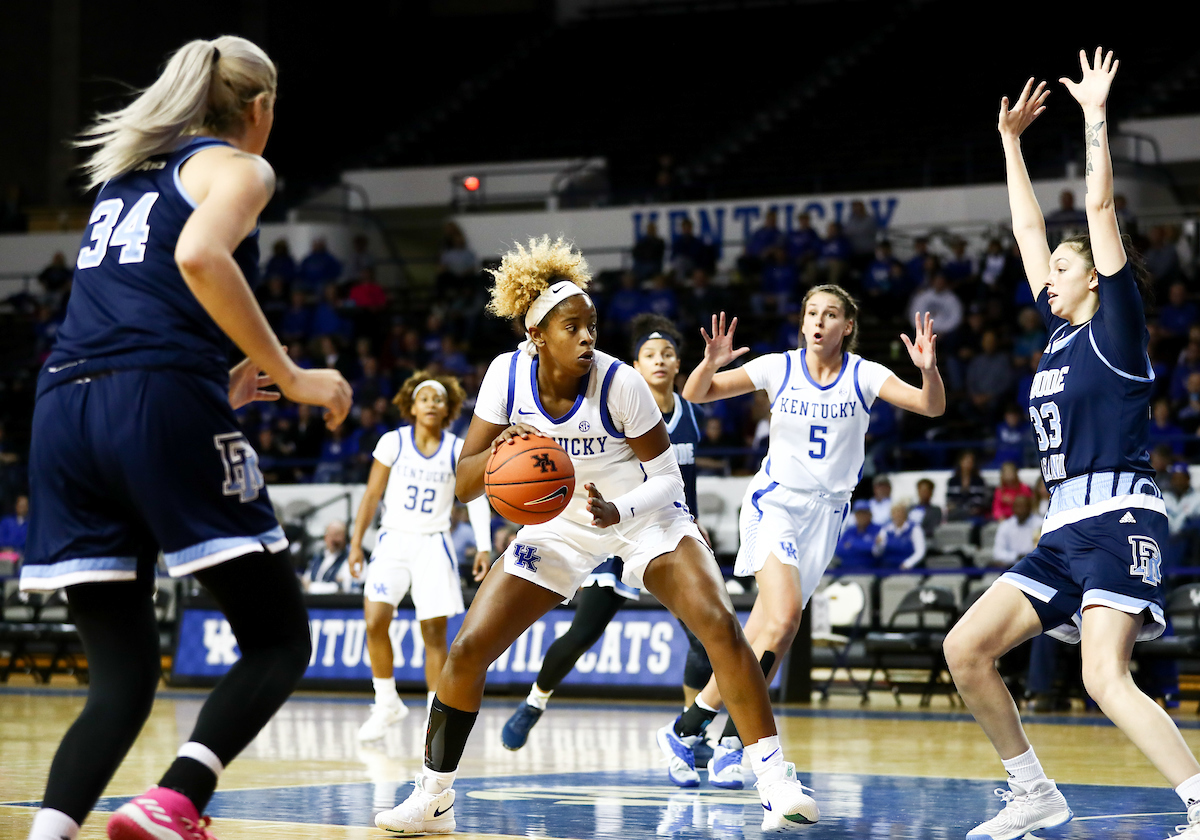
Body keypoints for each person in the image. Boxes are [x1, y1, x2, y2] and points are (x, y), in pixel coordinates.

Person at [18, 36, 352, 840]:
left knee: (122, 681)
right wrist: (293, 375)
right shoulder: (241, 167)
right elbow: (198, 255)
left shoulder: (124, 178)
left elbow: (136, 302)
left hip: (63, 407)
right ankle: (172, 803)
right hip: (153, 400)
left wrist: (213, 377)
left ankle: (47, 835)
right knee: (277, 639)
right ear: (260, 108)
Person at [373, 237, 820, 834]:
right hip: (558, 525)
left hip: (642, 517)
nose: (588, 337)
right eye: (572, 326)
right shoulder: (506, 378)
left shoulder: (620, 384)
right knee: (467, 649)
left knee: (717, 621)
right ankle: (433, 798)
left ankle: (775, 781)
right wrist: (499, 453)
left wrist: (619, 509)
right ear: (537, 335)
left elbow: (666, 478)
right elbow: (463, 484)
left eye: (592, 325)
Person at [943, 53, 1200, 840]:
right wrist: (1011, 143)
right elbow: (1028, 226)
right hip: (1062, 531)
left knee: (1102, 675)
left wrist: (1093, 117)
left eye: (1061, 268)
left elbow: (1096, 206)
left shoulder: (1116, 329)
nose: (1045, 275)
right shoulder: (1057, 334)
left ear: (1094, 279)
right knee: (966, 648)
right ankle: (1035, 793)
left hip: (1121, 519)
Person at [661, 284, 944, 790]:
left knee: (773, 630)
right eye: (811, 311)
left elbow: (931, 406)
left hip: (827, 517)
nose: (818, 321)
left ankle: (691, 728)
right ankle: (735, 743)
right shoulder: (779, 366)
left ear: (847, 326)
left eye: (830, 314)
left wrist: (928, 369)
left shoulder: (865, 374)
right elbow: (696, 393)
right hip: (776, 503)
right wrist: (710, 363)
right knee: (786, 613)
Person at [499, 313, 715, 751]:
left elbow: (677, 478)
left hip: (661, 527)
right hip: (614, 525)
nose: (659, 361)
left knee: (704, 637)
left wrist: (690, 519)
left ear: (678, 365)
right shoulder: (623, 403)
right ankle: (535, 703)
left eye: (668, 354)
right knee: (584, 632)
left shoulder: (691, 412)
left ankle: (694, 735)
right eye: (650, 354)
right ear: (635, 366)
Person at [348, 371, 492, 740]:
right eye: (425, 398)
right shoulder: (392, 442)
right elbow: (371, 495)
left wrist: (484, 544)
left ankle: (435, 718)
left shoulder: (457, 448)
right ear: (412, 406)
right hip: (393, 539)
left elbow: (475, 495)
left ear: (448, 409)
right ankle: (386, 703)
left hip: (433, 542)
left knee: (433, 633)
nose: (431, 403)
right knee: (376, 619)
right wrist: (355, 543)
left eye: (438, 399)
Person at [300, 520, 355, 594]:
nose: (333, 539)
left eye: (337, 535)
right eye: (330, 535)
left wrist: (311, 587)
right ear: (325, 537)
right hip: (312, 602)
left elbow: (343, 587)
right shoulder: (318, 557)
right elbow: (306, 579)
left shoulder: (350, 558)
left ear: (344, 537)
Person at [990, 493, 1041, 568]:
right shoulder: (1006, 525)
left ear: (1030, 508)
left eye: (1024, 507)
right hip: (1010, 567)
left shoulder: (1040, 524)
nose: (1020, 510)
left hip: (1035, 566)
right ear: (1013, 508)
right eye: (1017, 507)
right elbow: (997, 553)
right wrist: (1016, 556)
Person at [873, 501, 926, 570]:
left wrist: (908, 563)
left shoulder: (915, 529)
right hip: (888, 568)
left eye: (900, 512)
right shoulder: (885, 530)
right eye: (894, 512)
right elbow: (877, 553)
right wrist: (878, 545)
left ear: (905, 514)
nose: (897, 515)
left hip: (908, 569)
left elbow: (920, 551)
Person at [835, 500, 880, 569]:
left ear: (870, 515)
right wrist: (863, 546)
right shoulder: (850, 531)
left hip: (869, 570)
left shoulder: (878, 530)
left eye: (864, 514)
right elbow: (838, 550)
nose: (861, 517)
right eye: (858, 514)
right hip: (846, 568)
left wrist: (851, 544)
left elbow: (875, 550)